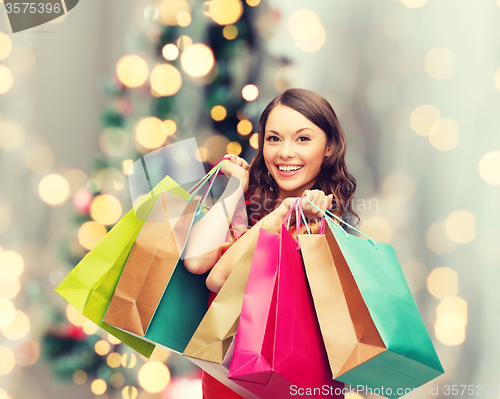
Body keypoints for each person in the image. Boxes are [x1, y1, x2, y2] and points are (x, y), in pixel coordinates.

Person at [184, 88, 359, 398]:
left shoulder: (324, 231)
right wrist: (236, 186)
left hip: (285, 387)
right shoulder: (248, 203)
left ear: (329, 147)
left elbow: (219, 278)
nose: (285, 152)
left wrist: (283, 213)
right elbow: (197, 261)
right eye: (274, 138)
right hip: (225, 382)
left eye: (303, 139)